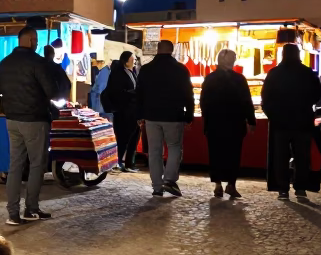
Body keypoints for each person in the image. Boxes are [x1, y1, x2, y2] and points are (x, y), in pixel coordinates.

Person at [0, 27, 58, 225]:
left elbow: (2, 92)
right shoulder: (37, 62)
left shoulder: (4, 63)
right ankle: (31, 209)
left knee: (15, 166)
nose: (38, 43)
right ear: (32, 40)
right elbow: (52, 91)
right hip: (34, 120)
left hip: (12, 120)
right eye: (37, 40)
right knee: (36, 165)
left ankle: (12, 213)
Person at [260, 43, 321, 202]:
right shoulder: (307, 73)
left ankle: (282, 189)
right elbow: (317, 95)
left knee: (280, 156)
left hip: (280, 123)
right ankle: (300, 188)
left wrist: (272, 115)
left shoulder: (274, 73)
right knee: (302, 156)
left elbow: (265, 97)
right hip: (302, 121)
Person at [135, 39, 194, 197]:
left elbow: (139, 94)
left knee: (154, 151)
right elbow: (188, 94)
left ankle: (157, 187)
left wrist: (139, 115)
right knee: (174, 147)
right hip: (173, 116)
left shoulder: (146, 69)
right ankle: (169, 179)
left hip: (151, 117)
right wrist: (189, 115)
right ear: (172, 50)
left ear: (157, 50)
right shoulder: (181, 69)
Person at [199, 49, 255, 199]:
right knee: (233, 154)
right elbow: (246, 102)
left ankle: (218, 184)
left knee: (215, 153)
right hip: (235, 123)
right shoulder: (239, 79)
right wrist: (251, 120)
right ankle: (231, 184)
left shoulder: (210, 78)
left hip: (214, 123)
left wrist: (207, 119)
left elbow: (203, 102)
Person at [103, 52, 140, 172]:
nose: (134, 61)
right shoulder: (118, 74)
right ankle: (117, 161)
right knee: (123, 137)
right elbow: (116, 92)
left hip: (133, 110)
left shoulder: (132, 72)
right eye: (132, 59)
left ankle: (130, 163)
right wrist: (131, 93)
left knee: (134, 137)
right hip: (123, 111)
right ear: (126, 61)